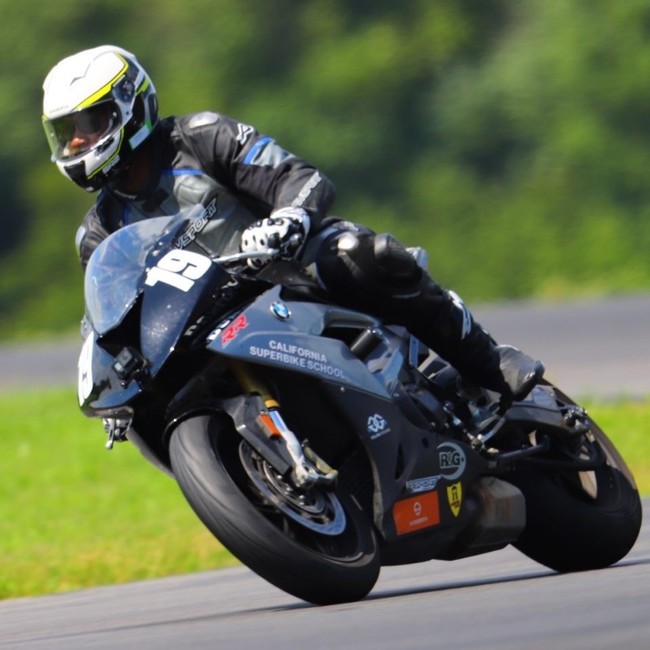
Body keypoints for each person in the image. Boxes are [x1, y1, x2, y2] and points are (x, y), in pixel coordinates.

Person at [42, 45, 544, 401]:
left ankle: (488, 360)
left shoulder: (201, 137)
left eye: (88, 125)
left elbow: (297, 177)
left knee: (357, 255)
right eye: (67, 134)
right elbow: (109, 319)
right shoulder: (97, 233)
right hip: (206, 328)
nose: (78, 144)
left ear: (130, 106)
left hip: (289, 269)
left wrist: (288, 218)